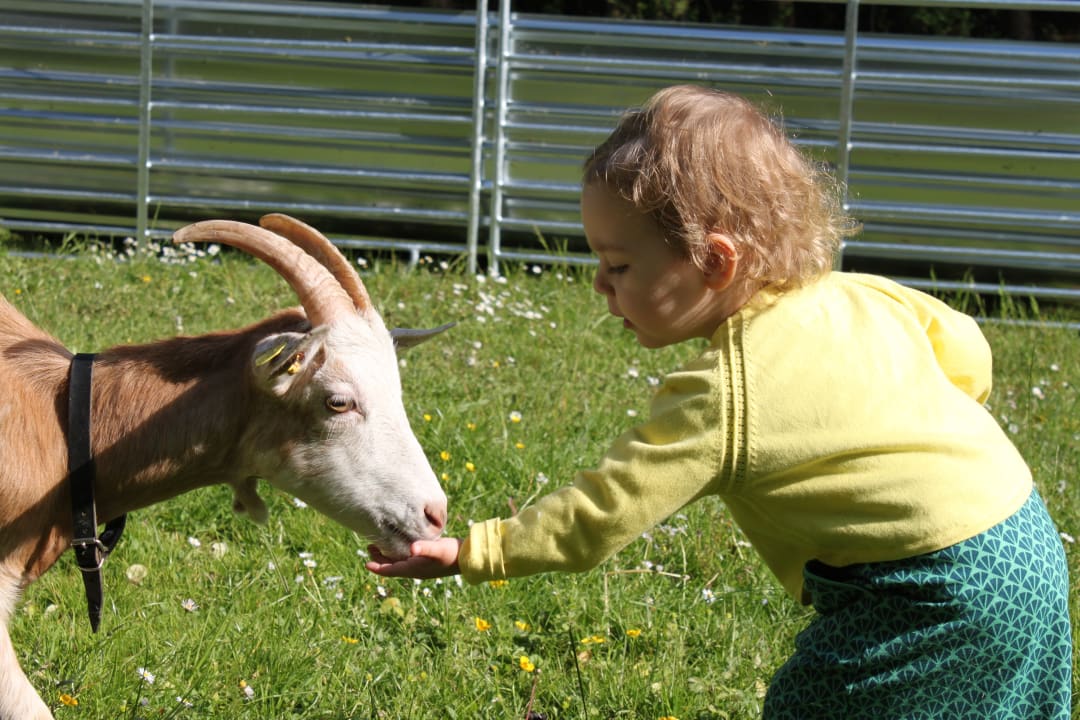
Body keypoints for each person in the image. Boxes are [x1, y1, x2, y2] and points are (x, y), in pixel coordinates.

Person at [367, 85, 1072, 718]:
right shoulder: (861, 296)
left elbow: (601, 513)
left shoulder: (724, 392)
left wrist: (473, 550)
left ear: (715, 261)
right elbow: (967, 349)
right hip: (1024, 539)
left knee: (815, 704)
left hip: (929, 589)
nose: (598, 286)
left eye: (617, 265)